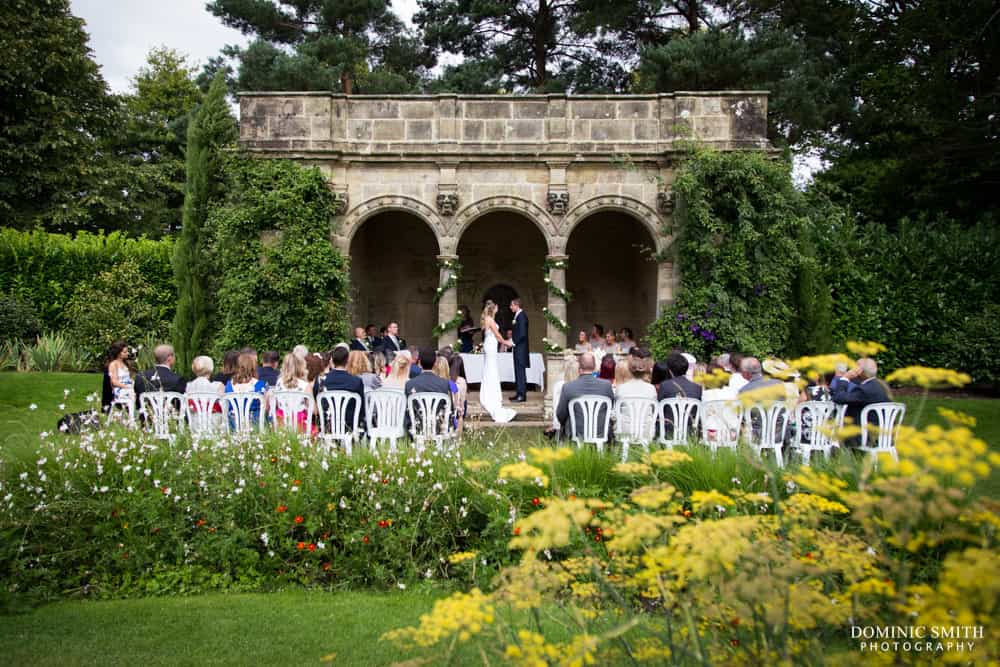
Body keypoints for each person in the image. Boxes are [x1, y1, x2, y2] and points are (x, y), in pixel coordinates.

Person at [555, 352, 614, 439]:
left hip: (576, 432)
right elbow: (610, 407)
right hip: (601, 431)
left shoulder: (568, 387)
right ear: (594, 367)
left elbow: (561, 414)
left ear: (579, 367)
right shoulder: (606, 385)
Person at [478, 301, 516, 423]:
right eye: (496, 308)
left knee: (491, 368)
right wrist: (507, 343)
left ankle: (490, 391)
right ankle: (490, 395)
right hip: (491, 345)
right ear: (493, 309)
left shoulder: (487, 319)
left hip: (490, 345)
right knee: (491, 369)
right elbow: (498, 335)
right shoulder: (489, 320)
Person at [315, 346, 366, 431]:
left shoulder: (322, 380)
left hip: (327, 424)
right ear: (347, 360)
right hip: (349, 424)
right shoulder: (356, 381)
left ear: (332, 360)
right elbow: (361, 407)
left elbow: (317, 402)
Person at [404, 347, 454, 432]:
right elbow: (450, 408)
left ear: (419, 363)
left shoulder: (410, 384)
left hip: (417, 427)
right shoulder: (444, 384)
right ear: (435, 363)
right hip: (438, 428)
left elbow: (407, 409)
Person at [831, 357, 890, 426]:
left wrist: (845, 378)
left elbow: (838, 398)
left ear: (859, 371)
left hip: (864, 432)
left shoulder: (864, 390)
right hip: (882, 428)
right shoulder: (880, 385)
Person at [273, 352, 312, 432]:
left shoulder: (279, 383)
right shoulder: (305, 385)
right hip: (299, 426)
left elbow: (276, 404)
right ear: (300, 366)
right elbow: (313, 410)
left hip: (281, 424)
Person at [544, 355, 580, 438]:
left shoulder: (559, 385)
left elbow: (558, 410)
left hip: (562, 421)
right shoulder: (579, 386)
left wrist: (556, 424)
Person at [506, 298, 530, 402]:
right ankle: (518, 393)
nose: (510, 307)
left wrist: (513, 342)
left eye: (511, 305)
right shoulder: (517, 316)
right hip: (517, 348)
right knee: (517, 371)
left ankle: (522, 395)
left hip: (521, 348)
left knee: (520, 372)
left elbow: (522, 334)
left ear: (516, 305)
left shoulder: (522, 316)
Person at [105, 341, 134, 409]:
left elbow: (130, 378)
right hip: (119, 389)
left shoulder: (126, 364)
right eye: (125, 352)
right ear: (118, 353)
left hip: (128, 386)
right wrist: (127, 387)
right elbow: (114, 381)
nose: (127, 353)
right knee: (133, 393)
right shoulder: (113, 364)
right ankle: (132, 416)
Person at [449, 355, 469, 436]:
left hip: (448, 407)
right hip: (457, 410)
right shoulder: (462, 381)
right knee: (464, 402)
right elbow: (462, 401)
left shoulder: (445, 379)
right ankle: (459, 430)